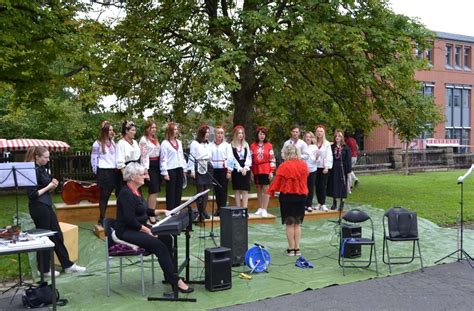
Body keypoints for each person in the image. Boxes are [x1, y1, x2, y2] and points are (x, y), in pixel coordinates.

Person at [114, 162, 193, 295]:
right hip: (126, 231)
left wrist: (164, 211)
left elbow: (145, 210)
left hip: (137, 227)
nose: (145, 176)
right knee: (158, 245)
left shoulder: (136, 191)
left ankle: (170, 275)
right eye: (142, 174)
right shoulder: (126, 194)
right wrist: (148, 231)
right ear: (133, 177)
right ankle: (175, 280)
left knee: (166, 238)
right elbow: (130, 220)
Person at [25, 146, 86, 276]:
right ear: (37, 157)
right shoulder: (31, 171)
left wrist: (53, 185)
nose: (48, 159)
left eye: (48, 157)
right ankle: (43, 269)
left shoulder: (42, 169)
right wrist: (49, 186)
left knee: (57, 235)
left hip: (46, 204)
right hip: (38, 207)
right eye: (45, 157)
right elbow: (33, 194)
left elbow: (45, 190)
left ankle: (68, 265)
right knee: (44, 237)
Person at [267, 144, 309, 257]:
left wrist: (271, 191)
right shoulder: (304, 165)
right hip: (301, 196)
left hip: (287, 197)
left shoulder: (284, 166)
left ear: (285, 153)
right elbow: (305, 180)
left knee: (289, 223)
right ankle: (297, 249)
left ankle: (290, 250)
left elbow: (277, 182)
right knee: (297, 223)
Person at [91, 120, 119, 226]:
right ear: (105, 131)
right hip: (104, 171)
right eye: (110, 130)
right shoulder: (97, 144)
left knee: (116, 194)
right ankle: (102, 218)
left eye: (112, 130)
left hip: (113, 171)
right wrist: (96, 171)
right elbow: (93, 159)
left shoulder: (113, 143)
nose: (112, 132)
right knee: (104, 196)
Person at [188, 125, 213, 222]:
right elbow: (192, 156)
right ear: (201, 133)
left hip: (207, 165)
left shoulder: (207, 143)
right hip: (199, 165)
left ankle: (204, 210)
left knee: (206, 189)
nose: (207, 135)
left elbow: (210, 155)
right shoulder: (195, 143)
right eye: (206, 133)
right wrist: (192, 170)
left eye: (208, 133)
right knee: (200, 190)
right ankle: (200, 211)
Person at [250, 126, 276, 217]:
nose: (262, 136)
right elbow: (251, 159)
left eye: (263, 134)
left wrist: (271, 171)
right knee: (259, 189)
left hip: (266, 168)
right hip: (256, 168)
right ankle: (260, 207)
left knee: (266, 189)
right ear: (257, 135)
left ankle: (265, 208)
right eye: (260, 134)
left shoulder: (269, 145)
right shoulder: (252, 146)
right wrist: (251, 172)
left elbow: (272, 158)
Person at [160, 122, 187, 210]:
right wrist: (164, 172)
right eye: (174, 129)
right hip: (170, 170)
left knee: (178, 191)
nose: (176, 131)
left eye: (176, 129)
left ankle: (177, 210)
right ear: (170, 131)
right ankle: (170, 211)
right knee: (171, 192)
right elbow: (163, 158)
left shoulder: (179, 142)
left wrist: (184, 168)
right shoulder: (165, 143)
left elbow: (181, 156)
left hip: (179, 168)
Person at [139, 120, 161, 213]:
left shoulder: (155, 139)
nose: (154, 129)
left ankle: (150, 212)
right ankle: (150, 214)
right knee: (153, 189)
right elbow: (144, 155)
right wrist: (146, 170)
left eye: (155, 127)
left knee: (156, 190)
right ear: (147, 129)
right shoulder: (144, 140)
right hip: (149, 165)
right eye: (152, 127)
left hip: (157, 165)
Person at [210, 126, 233, 216]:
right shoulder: (210, 145)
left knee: (223, 190)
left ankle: (223, 209)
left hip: (224, 170)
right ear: (215, 134)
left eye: (221, 133)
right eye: (218, 133)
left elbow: (230, 159)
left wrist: (229, 171)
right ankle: (218, 208)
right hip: (214, 170)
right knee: (216, 190)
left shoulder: (227, 145)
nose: (220, 135)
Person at [328, 130, 352, 211]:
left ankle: (342, 203)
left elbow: (348, 159)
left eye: (339, 136)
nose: (337, 138)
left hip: (342, 168)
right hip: (334, 168)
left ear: (342, 138)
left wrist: (348, 170)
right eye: (336, 136)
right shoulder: (331, 147)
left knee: (342, 185)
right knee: (334, 184)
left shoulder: (346, 148)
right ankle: (334, 202)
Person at [116, 120, 141, 194]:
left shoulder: (135, 142)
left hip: (136, 170)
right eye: (132, 130)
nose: (134, 132)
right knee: (127, 194)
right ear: (126, 131)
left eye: (135, 130)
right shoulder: (121, 143)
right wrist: (126, 176)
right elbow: (120, 161)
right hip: (127, 171)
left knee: (137, 195)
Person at [230, 125, 252, 208]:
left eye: (242, 133)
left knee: (245, 189)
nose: (241, 135)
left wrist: (245, 168)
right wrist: (239, 168)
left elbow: (249, 157)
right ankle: (238, 208)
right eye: (239, 133)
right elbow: (232, 158)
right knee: (237, 190)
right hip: (236, 168)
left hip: (245, 168)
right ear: (235, 134)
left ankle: (245, 209)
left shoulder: (246, 144)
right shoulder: (231, 145)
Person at [314, 125, 333, 211]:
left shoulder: (327, 144)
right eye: (318, 131)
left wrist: (327, 167)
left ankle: (323, 203)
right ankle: (319, 203)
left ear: (324, 132)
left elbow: (329, 156)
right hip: (315, 167)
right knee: (317, 185)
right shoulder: (314, 143)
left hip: (324, 167)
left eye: (321, 131)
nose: (319, 133)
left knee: (323, 185)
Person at [303, 131, 317, 212]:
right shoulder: (302, 146)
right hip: (303, 170)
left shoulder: (314, 147)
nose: (308, 138)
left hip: (312, 169)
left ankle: (309, 205)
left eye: (309, 137)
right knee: (304, 187)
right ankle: (303, 204)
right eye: (306, 137)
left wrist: (317, 157)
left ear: (312, 138)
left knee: (311, 188)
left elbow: (316, 159)